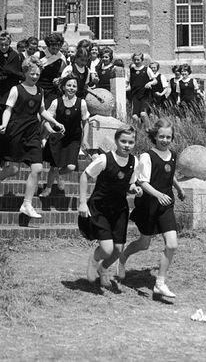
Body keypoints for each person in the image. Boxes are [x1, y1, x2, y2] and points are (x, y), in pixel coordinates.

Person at [0, 57, 65, 218]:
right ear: (25, 72)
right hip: (16, 131)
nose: (35, 77)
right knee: (14, 169)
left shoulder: (40, 91)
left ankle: (27, 204)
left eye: (37, 74)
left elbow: (42, 111)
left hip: (33, 133)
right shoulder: (16, 89)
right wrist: (4, 124)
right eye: (32, 73)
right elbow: (8, 109)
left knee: (37, 168)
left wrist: (55, 122)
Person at [118, 118, 185, 299]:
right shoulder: (147, 156)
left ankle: (160, 283)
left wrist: (179, 189)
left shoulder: (172, 155)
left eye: (168, 137)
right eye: (161, 136)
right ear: (154, 136)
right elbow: (142, 181)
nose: (165, 140)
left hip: (166, 204)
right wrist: (157, 195)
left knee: (172, 244)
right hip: (149, 205)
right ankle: (123, 257)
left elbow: (168, 175)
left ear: (172, 138)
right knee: (144, 244)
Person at [78, 125, 141, 288]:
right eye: (123, 141)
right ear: (116, 141)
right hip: (100, 208)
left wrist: (134, 189)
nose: (127, 145)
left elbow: (130, 184)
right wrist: (83, 202)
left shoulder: (135, 161)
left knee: (118, 249)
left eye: (131, 142)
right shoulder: (105, 159)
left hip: (119, 209)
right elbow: (85, 175)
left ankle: (103, 268)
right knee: (106, 249)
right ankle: (94, 260)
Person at [40, 75, 90, 198]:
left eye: (74, 86)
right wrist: (51, 131)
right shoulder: (56, 102)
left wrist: (85, 139)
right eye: (69, 85)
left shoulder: (81, 103)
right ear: (63, 87)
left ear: (77, 89)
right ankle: (48, 188)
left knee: (71, 167)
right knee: (54, 166)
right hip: (59, 138)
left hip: (73, 139)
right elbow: (46, 121)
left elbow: (86, 122)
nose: (71, 88)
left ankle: (59, 175)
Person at [126, 53, 157, 126]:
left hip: (145, 96)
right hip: (135, 96)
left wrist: (150, 83)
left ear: (142, 60)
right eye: (135, 60)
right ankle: (140, 130)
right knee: (134, 117)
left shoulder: (147, 69)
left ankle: (149, 129)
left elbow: (155, 81)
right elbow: (127, 83)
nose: (136, 61)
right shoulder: (131, 71)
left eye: (138, 60)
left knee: (143, 114)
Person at [38, 32, 66, 108]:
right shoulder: (38, 55)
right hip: (38, 88)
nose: (56, 51)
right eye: (53, 48)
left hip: (51, 91)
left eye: (58, 48)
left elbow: (61, 75)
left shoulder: (61, 59)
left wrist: (58, 79)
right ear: (48, 46)